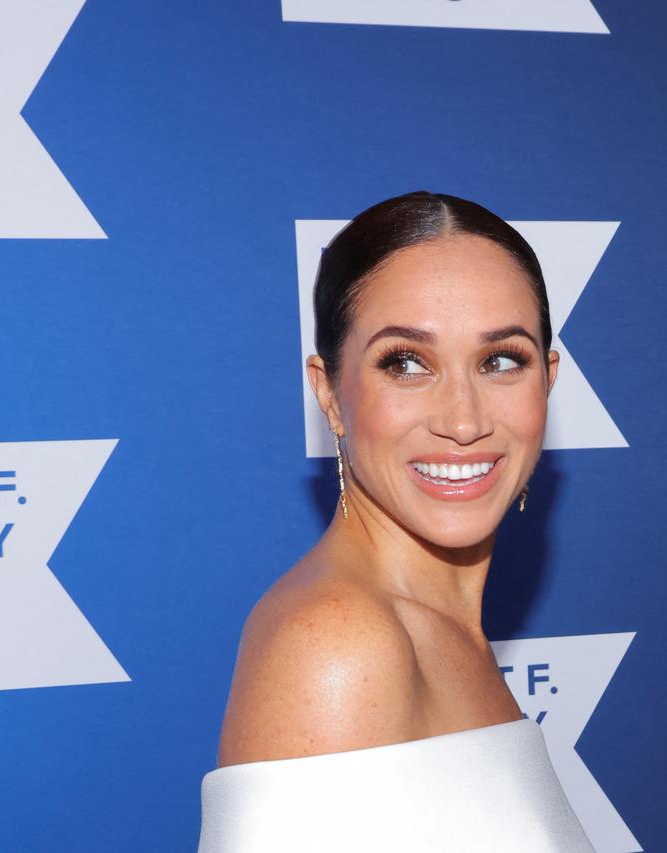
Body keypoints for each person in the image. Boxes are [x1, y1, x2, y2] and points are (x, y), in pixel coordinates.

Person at [198, 192, 594, 852]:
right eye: (406, 362)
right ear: (329, 393)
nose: (463, 421)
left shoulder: (439, 628)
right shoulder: (337, 645)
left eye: (501, 359)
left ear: (546, 380)